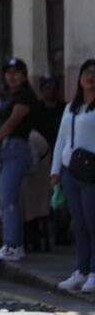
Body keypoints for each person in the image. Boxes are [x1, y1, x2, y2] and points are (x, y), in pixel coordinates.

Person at [0, 58, 38, 262]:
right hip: (4, 150)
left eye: (16, 72)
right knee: (3, 200)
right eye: (8, 72)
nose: (11, 76)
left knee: (8, 201)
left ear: (24, 76)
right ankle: (8, 242)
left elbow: (12, 121)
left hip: (16, 148)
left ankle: (14, 245)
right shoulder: (9, 96)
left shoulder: (25, 96)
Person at [53, 59, 95, 293]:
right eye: (87, 72)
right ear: (79, 78)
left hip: (92, 172)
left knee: (92, 223)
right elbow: (61, 140)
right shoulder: (71, 107)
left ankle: (93, 271)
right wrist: (55, 171)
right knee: (78, 224)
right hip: (71, 171)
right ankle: (80, 270)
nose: (91, 77)